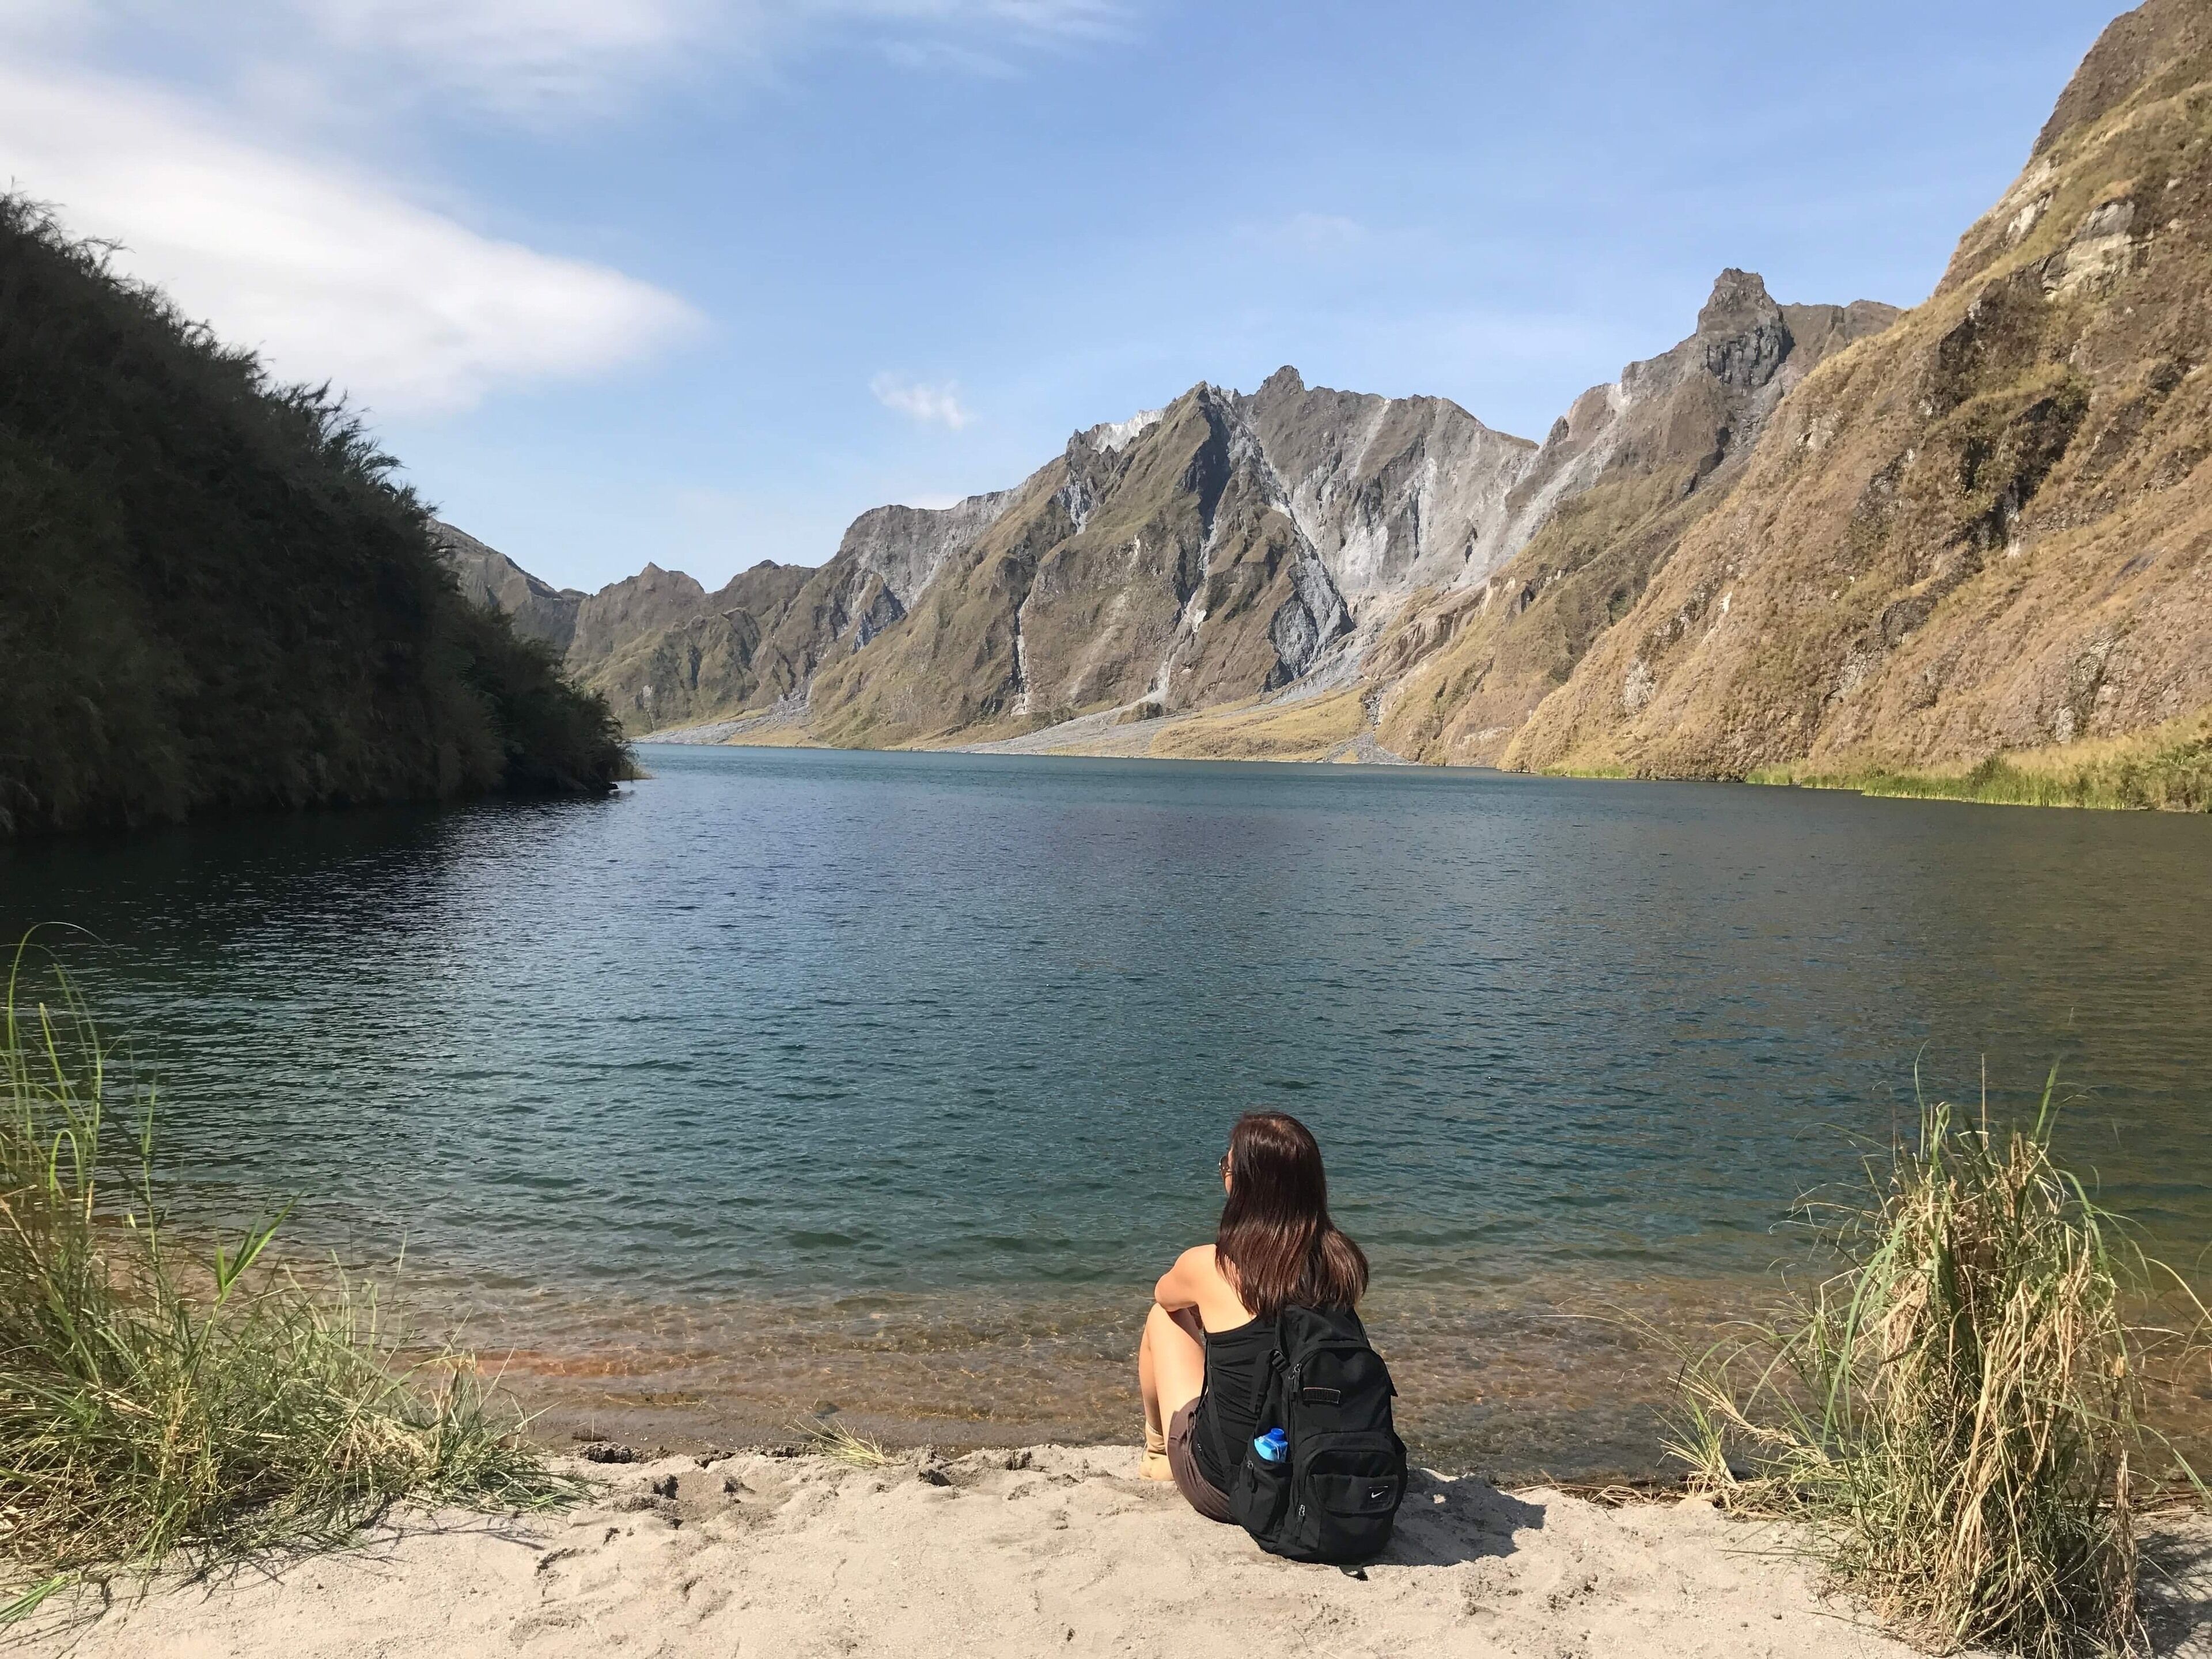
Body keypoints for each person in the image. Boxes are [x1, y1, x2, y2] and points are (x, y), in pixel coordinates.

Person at [1136, 1109, 1369, 1520]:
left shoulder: (1212, 1265)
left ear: (1242, 1183)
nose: (1224, 1173)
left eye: (1227, 1166)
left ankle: (1158, 1453)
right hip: (1321, 1478)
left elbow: (1166, 1296)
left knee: (1163, 1316)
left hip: (1228, 1487)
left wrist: (1209, 1309)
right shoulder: (1342, 1263)